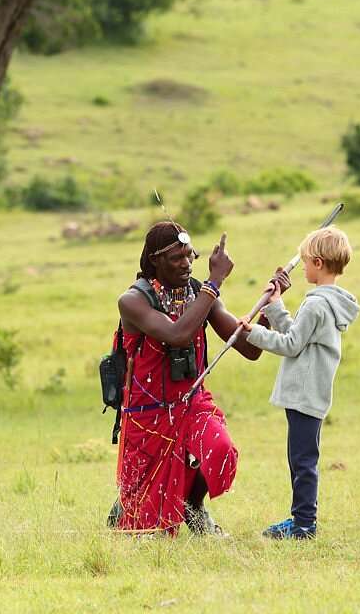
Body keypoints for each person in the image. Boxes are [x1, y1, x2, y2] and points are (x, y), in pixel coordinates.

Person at [110, 222, 285, 536]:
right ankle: (127, 504)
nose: (187, 264)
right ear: (154, 260)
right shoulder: (133, 301)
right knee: (147, 529)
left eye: (190, 256)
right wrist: (214, 282)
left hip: (192, 401)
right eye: (177, 257)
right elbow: (177, 335)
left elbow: (247, 348)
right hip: (147, 413)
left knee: (220, 451)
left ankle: (194, 505)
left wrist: (269, 308)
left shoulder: (198, 293)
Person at [237, 226, 360, 540]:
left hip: (305, 394)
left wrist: (252, 332)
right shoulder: (326, 302)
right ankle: (301, 519)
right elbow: (300, 336)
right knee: (301, 459)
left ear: (318, 263)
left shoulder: (317, 304)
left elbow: (291, 344)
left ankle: (304, 525)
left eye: (306, 262)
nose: (303, 267)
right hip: (311, 393)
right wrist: (275, 307)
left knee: (303, 461)